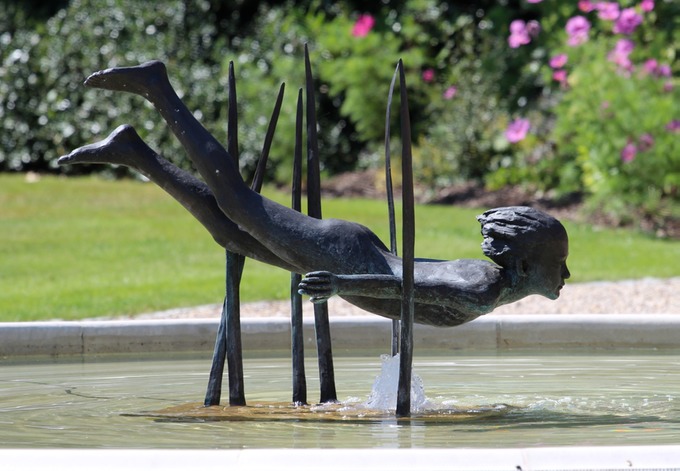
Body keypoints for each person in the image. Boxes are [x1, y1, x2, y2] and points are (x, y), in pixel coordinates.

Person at [59, 60, 570, 327]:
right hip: (346, 256)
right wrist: (339, 282)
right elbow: (407, 289)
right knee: (237, 202)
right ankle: (158, 88)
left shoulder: (491, 281)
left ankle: (136, 153)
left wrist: (345, 282)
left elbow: (411, 279)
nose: (566, 275)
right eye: (559, 262)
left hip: (356, 258)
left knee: (229, 234)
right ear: (526, 264)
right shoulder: (482, 289)